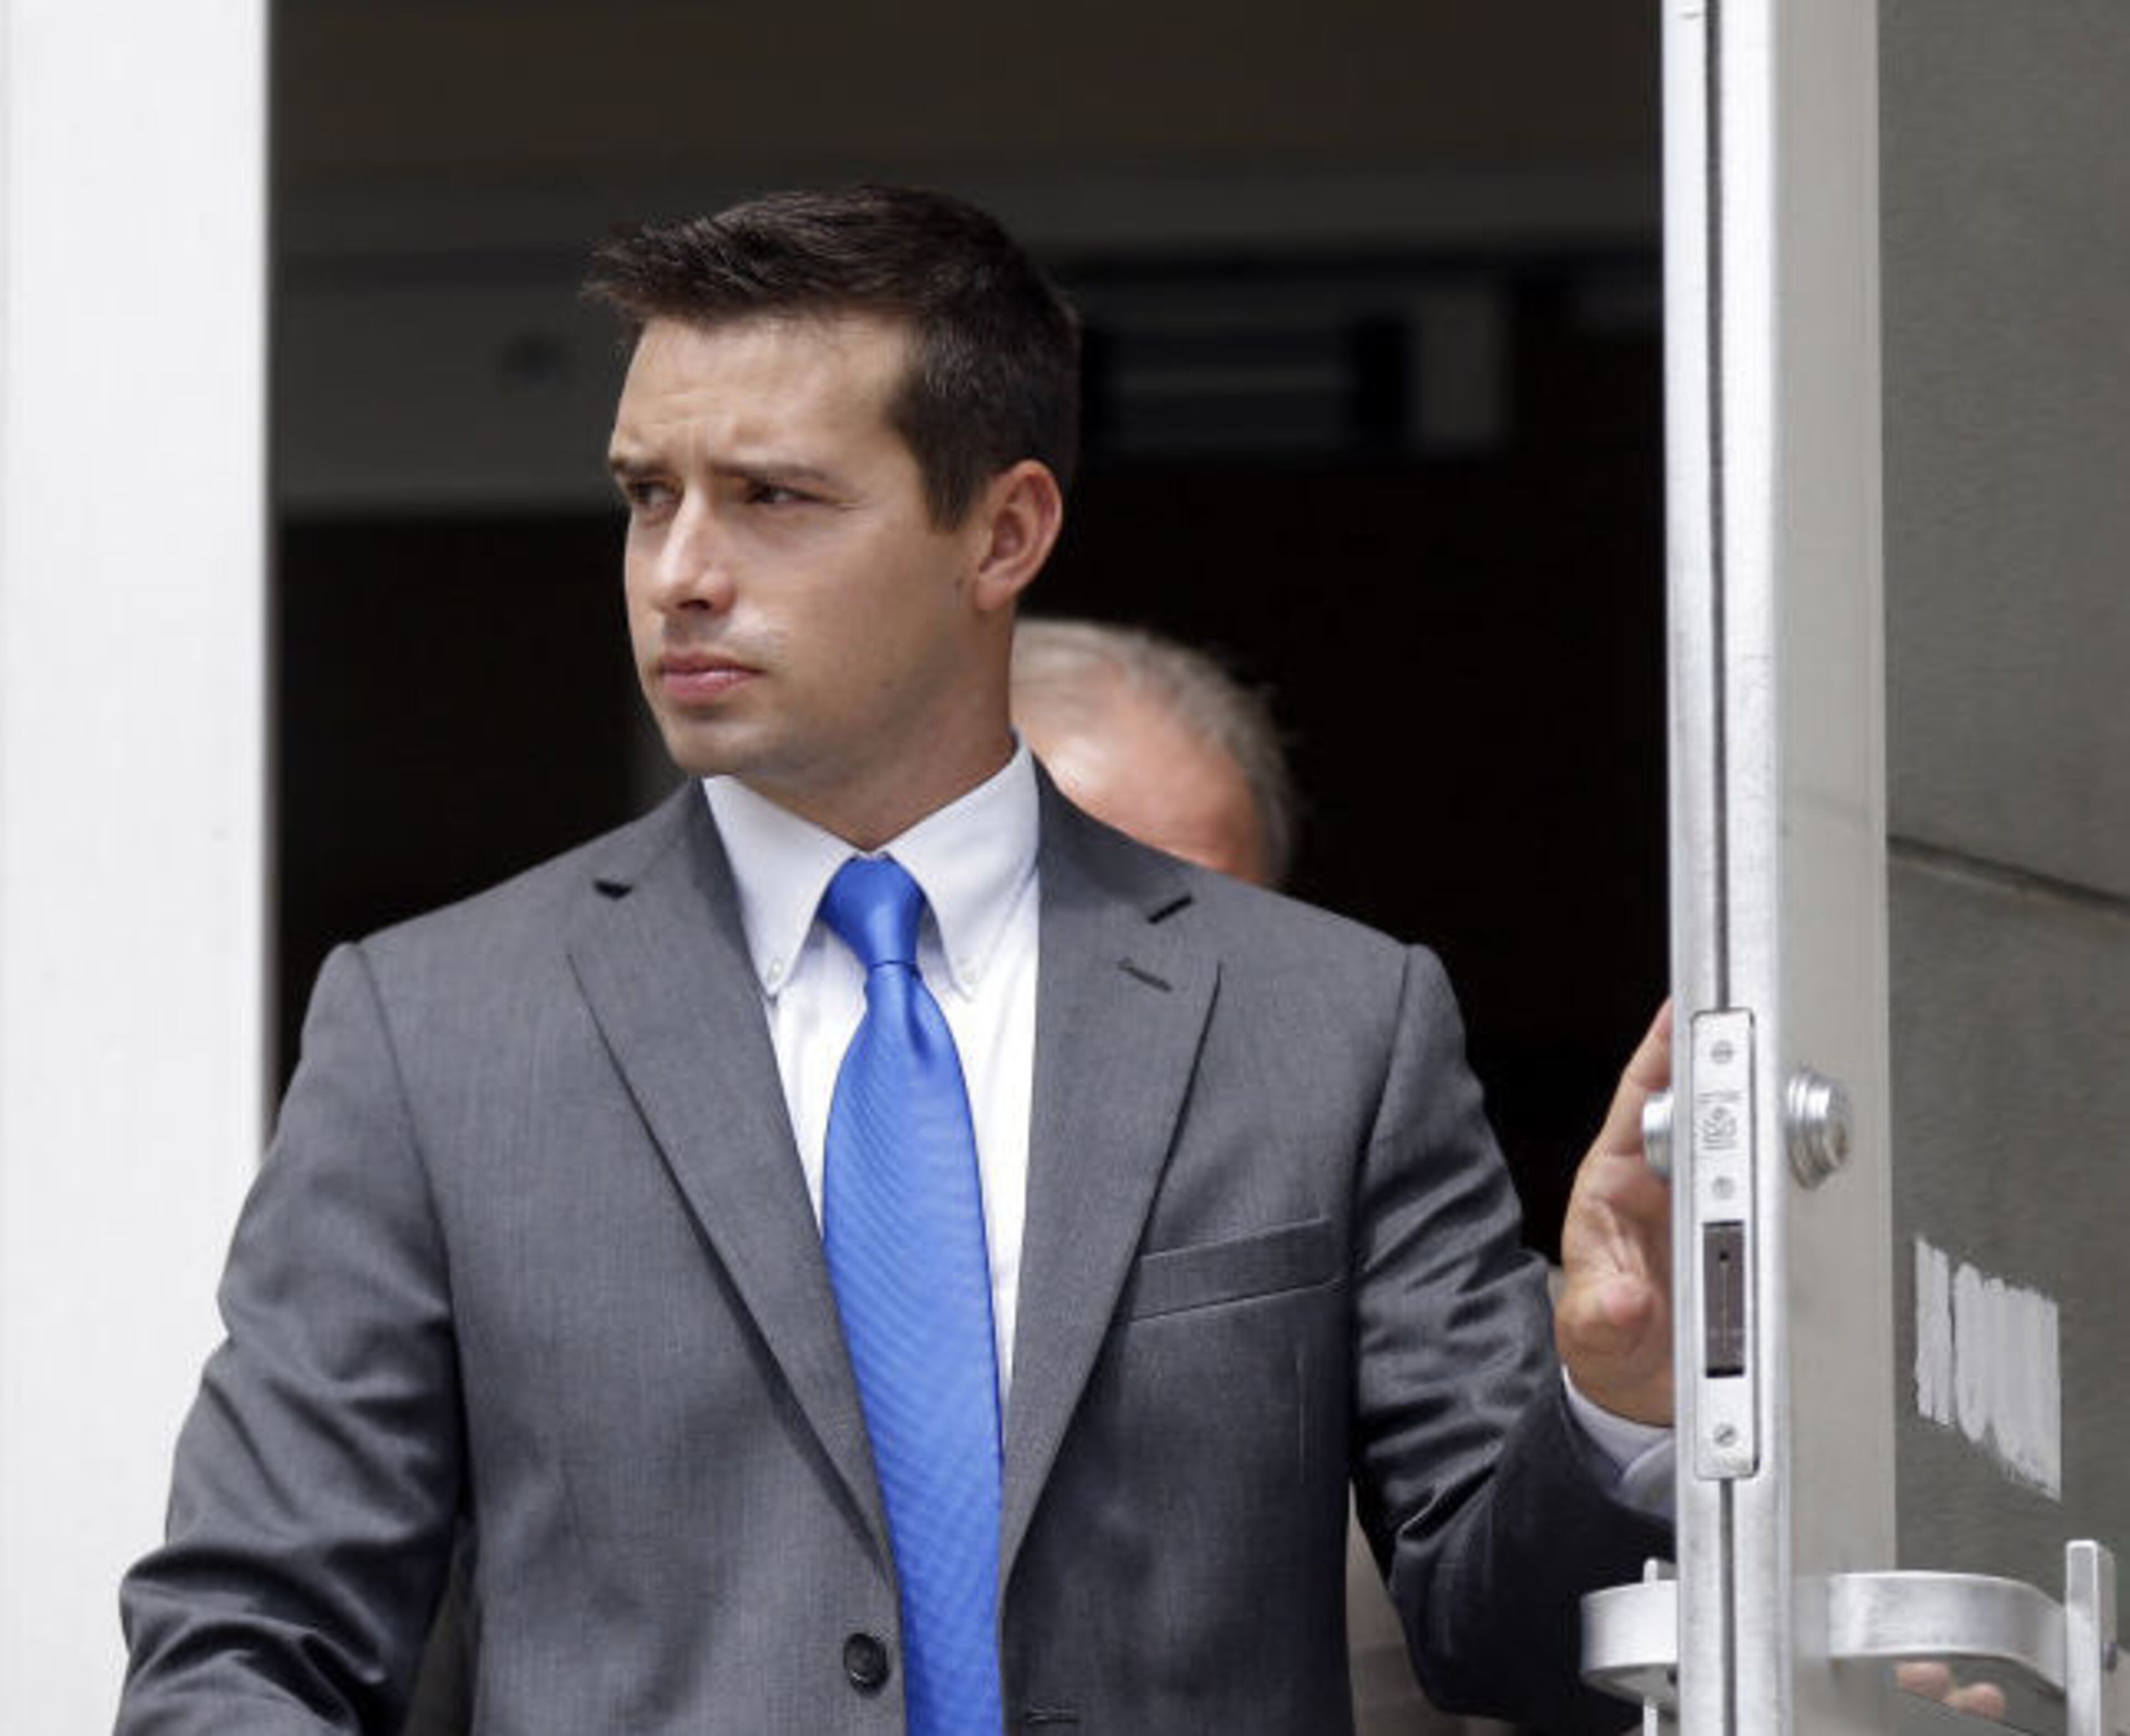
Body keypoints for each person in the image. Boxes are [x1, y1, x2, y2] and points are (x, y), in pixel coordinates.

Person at [118, 185, 1675, 1735]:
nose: (680, 572)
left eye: (774, 497)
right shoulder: (436, 1031)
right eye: (649, 496)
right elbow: (246, 1643)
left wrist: (1610, 1396)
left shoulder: (1330, 1025)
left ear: (1004, 532)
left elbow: (1527, 1656)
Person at [1010, 616, 1519, 1736]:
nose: (1158, 982)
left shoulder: (1386, 1371)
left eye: (1205, 928)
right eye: (1097, 909)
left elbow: (1545, 1627)